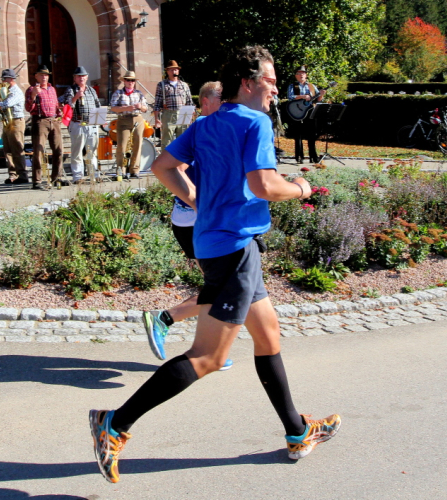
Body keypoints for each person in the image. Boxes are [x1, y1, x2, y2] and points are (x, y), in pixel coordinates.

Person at [90, 46, 341, 484]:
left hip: (218, 244)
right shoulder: (255, 122)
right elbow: (264, 185)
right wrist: (301, 188)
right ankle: (114, 423)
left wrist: (198, 200)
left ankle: (298, 432)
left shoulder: (208, 122)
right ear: (247, 82)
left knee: (268, 335)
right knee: (208, 356)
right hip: (234, 249)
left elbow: (163, 166)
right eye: (270, 81)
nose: (275, 89)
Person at [142, 81, 232, 371]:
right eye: (221, 99)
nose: (227, 104)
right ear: (206, 102)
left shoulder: (216, 127)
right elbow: (174, 168)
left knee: (223, 288)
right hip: (195, 222)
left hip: (197, 221)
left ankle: (211, 351)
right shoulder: (203, 128)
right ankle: (165, 319)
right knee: (225, 288)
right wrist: (196, 202)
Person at [25, 65, 63, 189]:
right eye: (41, 75)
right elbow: (28, 108)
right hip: (40, 120)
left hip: (54, 120)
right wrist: (33, 96)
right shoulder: (31, 89)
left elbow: (56, 104)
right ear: (36, 76)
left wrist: (59, 115)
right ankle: (37, 181)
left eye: (46, 75)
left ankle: (56, 177)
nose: (44, 77)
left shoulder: (52, 89)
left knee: (58, 150)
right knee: (39, 151)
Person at [62, 66, 101, 184]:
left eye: (83, 76)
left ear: (87, 77)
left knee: (92, 151)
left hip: (91, 123)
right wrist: (76, 97)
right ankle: (78, 176)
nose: (81, 78)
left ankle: (93, 174)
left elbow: (97, 105)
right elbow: (68, 106)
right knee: (77, 151)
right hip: (77, 123)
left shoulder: (92, 90)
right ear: (74, 78)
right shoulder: (71, 90)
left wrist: (99, 121)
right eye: (79, 76)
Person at [109, 70, 147, 180]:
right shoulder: (118, 93)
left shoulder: (139, 93)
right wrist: (126, 108)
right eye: (128, 80)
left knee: (137, 144)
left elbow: (145, 108)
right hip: (124, 119)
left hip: (137, 119)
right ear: (124, 81)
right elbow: (113, 108)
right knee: (122, 145)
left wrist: (140, 107)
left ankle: (134, 170)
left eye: (132, 80)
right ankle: (121, 170)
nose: (130, 82)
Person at [0, 69, 28, 185]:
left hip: (17, 121)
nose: (3, 81)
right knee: (7, 149)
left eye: (5, 79)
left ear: (11, 79)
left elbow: (8, 103)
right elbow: (1, 104)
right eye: (3, 79)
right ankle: (13, 174)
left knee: (17, 148)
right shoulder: (6, 91)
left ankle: (22, 174)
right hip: (8, 122)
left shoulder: (16, 91)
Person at [286, 65, 324, 164]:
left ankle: (313, 156)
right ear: (296, 76)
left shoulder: (311, 86)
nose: (301, 75)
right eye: (299, 73)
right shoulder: (293, 86)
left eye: (303, 73)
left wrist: (321, 95)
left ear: (306, 75)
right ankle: (299, 157)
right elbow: (290, 97)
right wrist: (303, 96)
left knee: (311, 134)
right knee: (298, 135)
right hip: (297, 112)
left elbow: (317, 99)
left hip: (309, 111)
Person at [154, 60, 194, 149]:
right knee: (167, 141)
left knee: (183, 141)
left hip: (183, 113)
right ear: (167, 71)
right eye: (171, 70)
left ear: (178, 71)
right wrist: (156, 119)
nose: (174, 72)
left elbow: (189, 102)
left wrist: (190, 118)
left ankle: (181, 158)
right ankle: (166, 158)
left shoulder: (184, 85)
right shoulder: (162, 85)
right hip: (168, 114)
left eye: (175, 70)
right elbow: (157, 103)